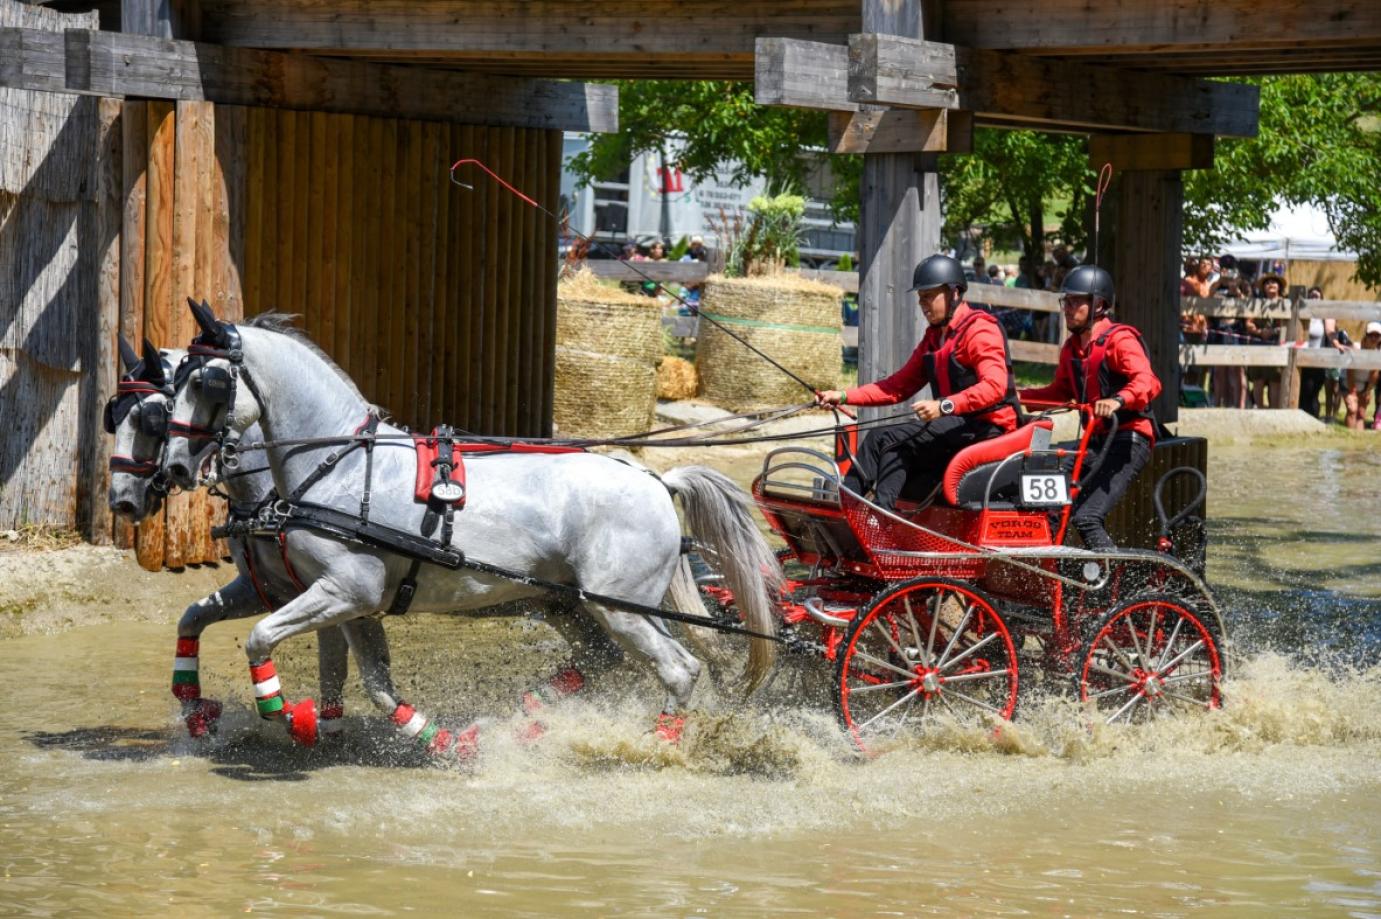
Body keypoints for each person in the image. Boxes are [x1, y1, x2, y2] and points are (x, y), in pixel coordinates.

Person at [816, 254, 1019, 510]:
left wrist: (943, 406)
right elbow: (897, 387)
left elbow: (994, 387)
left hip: (989, 429)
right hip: (958, 425)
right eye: (920, 297)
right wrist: (843, 396)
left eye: (928, 296)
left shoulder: (979, 330)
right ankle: (870, 515)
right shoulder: (934, 337)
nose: (922, 304)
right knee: (891, 442)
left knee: (886, 437)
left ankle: (853, 510)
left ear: (954, 293)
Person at [1019, 265, 1163, 550]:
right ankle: (1051, 574)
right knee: (1049, 494)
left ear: (1098, 304)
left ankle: (1110, 587)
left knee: (1087, 517)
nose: (1067, 308)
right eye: (1066, 301)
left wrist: (1118, 400)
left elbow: (1149, 381)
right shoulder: (1072, 348)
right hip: (1097, 442)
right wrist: (1014, 396)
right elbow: (1058, 393)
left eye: (1075, 301)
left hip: (1129, 441)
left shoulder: (1120, 340)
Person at [1298, 286, 1348, 419]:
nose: (1314, 298)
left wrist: (1336, 343)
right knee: (1301, 391)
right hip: (1300, 359)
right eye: (1311, 296)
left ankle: (1312, 418)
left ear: (1321, 299)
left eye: (1317, 296)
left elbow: (1330, 331)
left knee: (1311, 391)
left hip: (1317, 360)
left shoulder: (1325, 315)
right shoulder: (1301, 313)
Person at [1245, 272, 1287, 408]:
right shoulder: (1257, 303)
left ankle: (1273, 411)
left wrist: (1274, 331)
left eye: (1274, 282)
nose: (1271, 284)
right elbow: (1249, 322)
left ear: (1279, 286)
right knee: (1258, 379)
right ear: (1263, 287)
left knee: (1275, 380)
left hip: (1277, 344)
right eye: (1267, 282)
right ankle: (1259, 409)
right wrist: (1260, 332)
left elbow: (1288, 325)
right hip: (1258, 343)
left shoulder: (1285, 303)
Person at [1344, 322, 1381, 429]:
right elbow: (1349, 372)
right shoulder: (1356, 347)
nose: (1374, 338)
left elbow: (1374, 374)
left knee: (1361, 412)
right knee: (1352, 409)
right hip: (1348, 381)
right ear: (1366, 335)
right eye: (1371, 335)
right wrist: (1353, 393)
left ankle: (1358, 436)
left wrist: (1368, 391)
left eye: (1377, 335)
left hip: (1364, 383)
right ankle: (1350, 435)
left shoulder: (1378, 352)